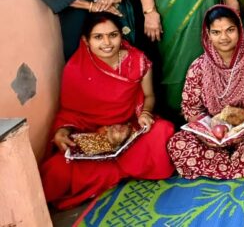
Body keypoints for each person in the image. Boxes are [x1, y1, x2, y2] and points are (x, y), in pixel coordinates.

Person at [40, 13, 174, 210]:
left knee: (163, 130)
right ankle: (124, 170)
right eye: (98, 37)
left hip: (130, 130)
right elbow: (70, 112)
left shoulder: (137, 60)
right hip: (93, 136)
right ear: (86, 40)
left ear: (121, 35)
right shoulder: (74, 69)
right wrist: (62, 132)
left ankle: (111, 173)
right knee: (56, 170)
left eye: (113, 35)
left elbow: (149, 96)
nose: (107, 43)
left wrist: (145, 113)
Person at [167, 5, 244, 179]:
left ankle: (226, 160)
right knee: (178, 143)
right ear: (208, 34)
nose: (224, 38)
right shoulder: (199, 67)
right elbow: (191, 108)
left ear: (239, 29)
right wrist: (209, 134)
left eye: (230, 30)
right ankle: (239, 159)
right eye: (216, 32)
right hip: (216, 134)